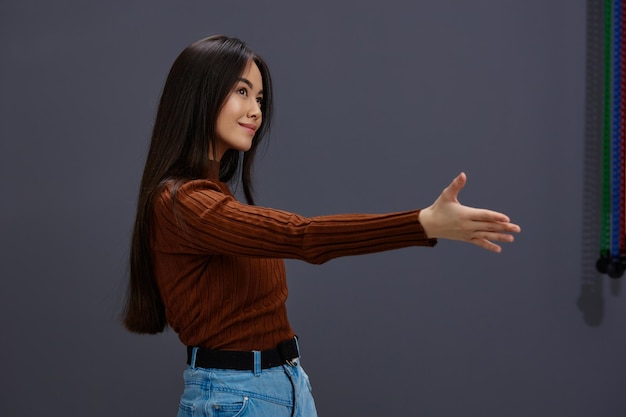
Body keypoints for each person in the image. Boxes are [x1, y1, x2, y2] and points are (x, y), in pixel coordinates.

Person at [122, 35, 521, 417]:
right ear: (199, 95)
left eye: (259, 98)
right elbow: (303, 236)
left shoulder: (210, 198)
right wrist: (422, 224)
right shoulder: (183, 205)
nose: (256, 110)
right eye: (242, 92)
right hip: (237, 397)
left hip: (282, 389)